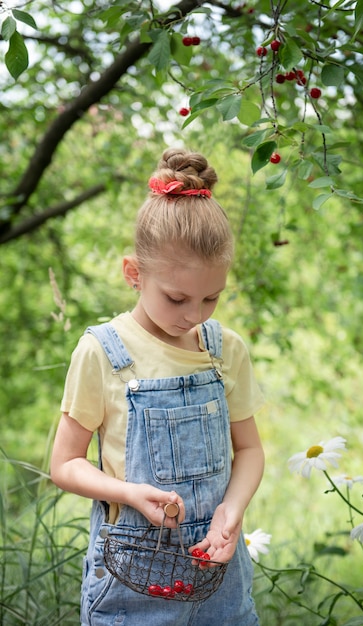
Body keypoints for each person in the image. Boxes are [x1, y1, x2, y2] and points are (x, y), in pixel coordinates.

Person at [50, 147, 265, 626]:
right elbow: (64, 464)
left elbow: (249, 450)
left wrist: (231, 510)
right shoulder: (102, 352)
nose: (194, 313)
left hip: (219, 582)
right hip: (131, 582)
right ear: (134, 274)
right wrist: (128, 494)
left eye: (212, 297)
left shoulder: (224, 350)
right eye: (176, 298)